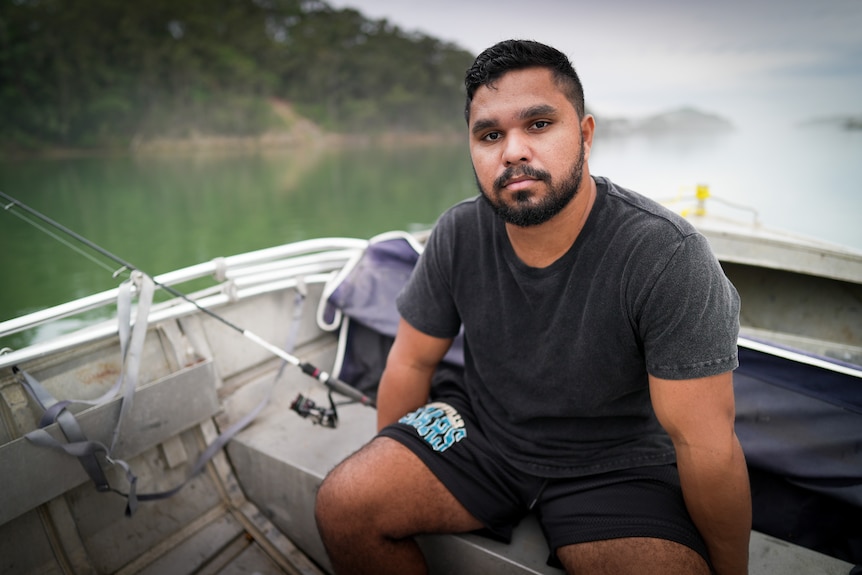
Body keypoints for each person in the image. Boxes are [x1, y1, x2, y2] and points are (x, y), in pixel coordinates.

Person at [314, 39, 751, 575]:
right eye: (490, 134)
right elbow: (410, 363)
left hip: (616, 467)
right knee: (344, 504)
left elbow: (705, 444)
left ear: (585, 135)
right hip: (484, 433)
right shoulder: (459, 232)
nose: (513, 150)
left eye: (539, 124)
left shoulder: (664, 255)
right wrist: (399, 458)